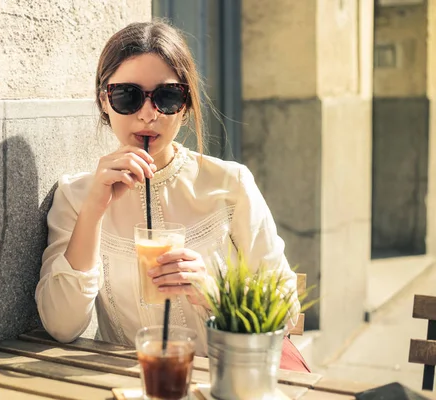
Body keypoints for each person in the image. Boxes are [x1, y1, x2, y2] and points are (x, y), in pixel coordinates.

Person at [35, 20, 310, 372]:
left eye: (166, 97)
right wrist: (93, 208)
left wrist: (214, 291)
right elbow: (61, 326)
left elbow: (286, 309)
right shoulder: (76, 196)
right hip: (135, 385)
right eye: (127, 96)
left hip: (227, 384)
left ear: (186, 105)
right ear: (105, 101)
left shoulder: (231, 183)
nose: (147, 114)